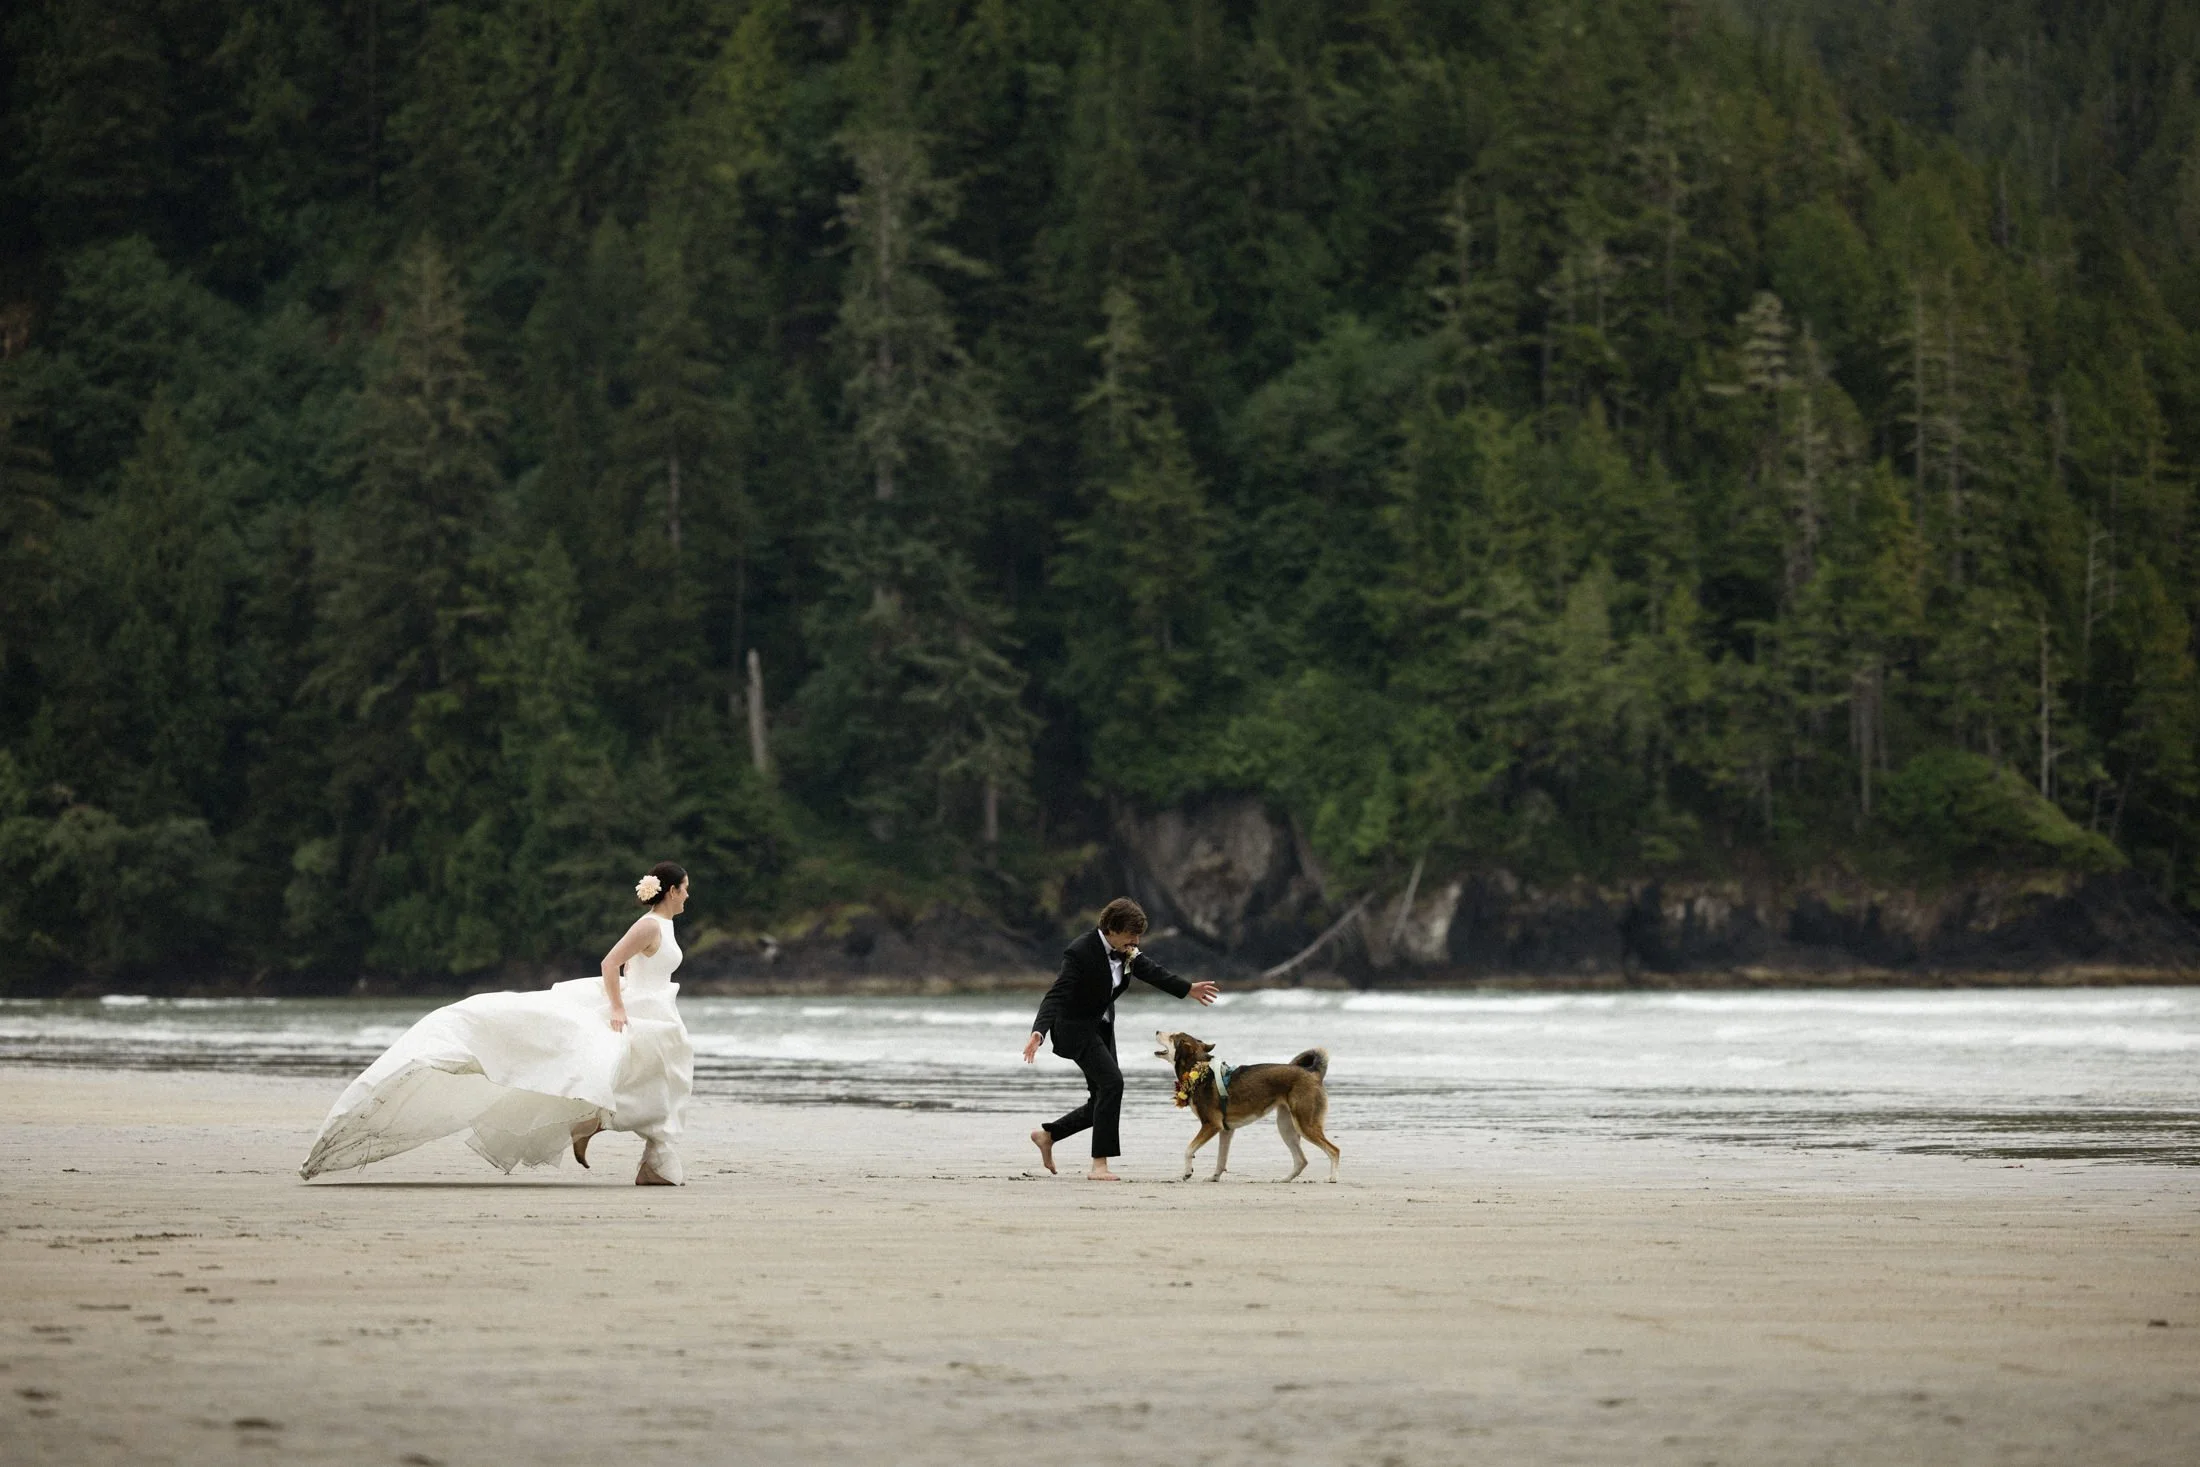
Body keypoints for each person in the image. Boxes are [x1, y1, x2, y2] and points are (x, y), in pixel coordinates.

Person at [300, 862, 697, 1186]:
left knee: (661, 1077)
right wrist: (617, 1008)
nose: (688, 896)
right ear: (672, 890)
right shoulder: (648, 925)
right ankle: (612, 1135)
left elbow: (635, 965)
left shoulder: (666, 927)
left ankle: (619, 1140)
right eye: (686, 889)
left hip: (655, 1008)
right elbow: (611, 963)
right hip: (636, 1011)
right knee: (644, 1075)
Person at [1022, 898, 1218, 1180]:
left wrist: (1187, 988)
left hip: (1101, 1027)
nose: (1136, 941)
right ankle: (1099, 1166)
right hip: (1075, 1029)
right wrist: (1038, 1032)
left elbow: (1151, 971)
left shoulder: (1126, 950)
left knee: (1103, 1098)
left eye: (1138, 936)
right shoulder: (1079, 952)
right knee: (1112, 1084)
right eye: (1131, 935)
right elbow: (1056, 994)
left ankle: (1048, 1135)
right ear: (1112, 929)